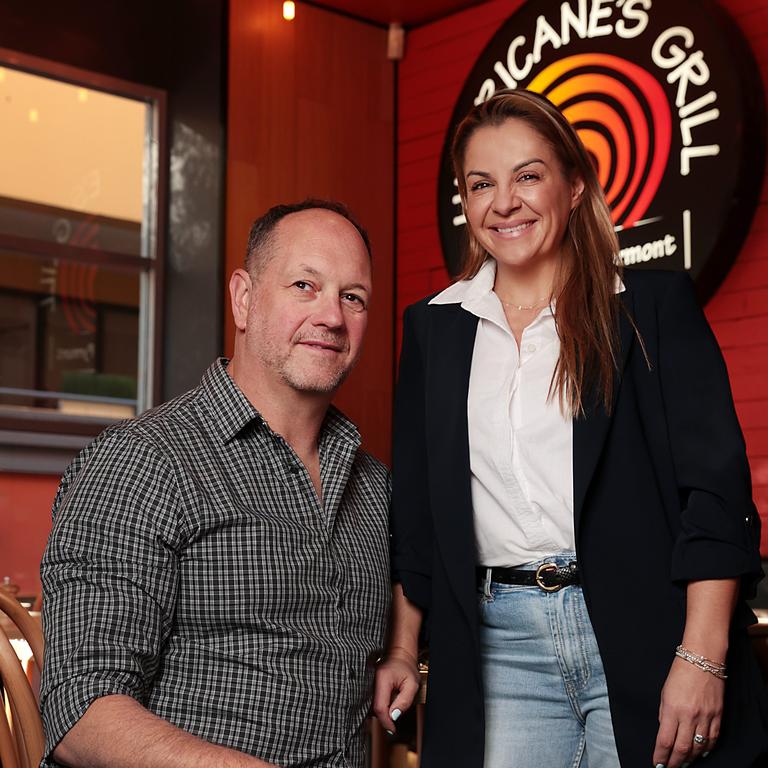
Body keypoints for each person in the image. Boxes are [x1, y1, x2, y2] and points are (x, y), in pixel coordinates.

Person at [374, 89, 768, 768]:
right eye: (481, 184)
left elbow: (716, 497)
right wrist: (405, 649)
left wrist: (702, 655)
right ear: (465, 203)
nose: (505, 202)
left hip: (650, 630)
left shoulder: (650, 308)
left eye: (528, 175)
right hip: (499, 649)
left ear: (575, 184)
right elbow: (418, 519)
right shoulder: (433, 329)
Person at [40, 199, 391, 768]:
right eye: (305, 285)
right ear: (244, 299)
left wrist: (399, 649)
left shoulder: (373, 486)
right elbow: (81, 710)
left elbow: (430, 577)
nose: (331, 316)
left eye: (353, 297)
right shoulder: (144, 462)